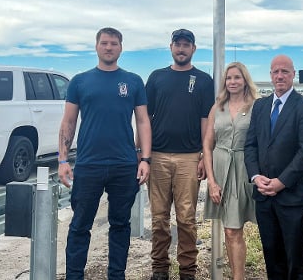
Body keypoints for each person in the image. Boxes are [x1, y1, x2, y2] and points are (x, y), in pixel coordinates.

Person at [57, 27, 152, 280]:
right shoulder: (80, 81)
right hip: (89, 165)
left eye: (114, 43)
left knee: (120, 225)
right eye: (104, 43)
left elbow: (143, 121)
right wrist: (63, 160)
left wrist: (145, 159)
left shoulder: (133, 81)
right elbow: (68, 121)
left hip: (124, 165)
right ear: (97, 46)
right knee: (80, 225)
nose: (109, 47)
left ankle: (116, 275)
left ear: (121, 48)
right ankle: (74, 275)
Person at [145, 28, 215, 280]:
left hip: (189, 158)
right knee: (159, 218)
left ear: (193, 49)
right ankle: (159, 268)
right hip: (158, 156)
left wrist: (204, 158)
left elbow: (206, 120)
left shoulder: (204, 80)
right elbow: (144, 119)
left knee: (186, 218)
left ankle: (188, 270)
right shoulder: (156, 78)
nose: (182, 48)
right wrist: (141, 155)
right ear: (171, 47)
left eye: (187, 44)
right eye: (178, 44)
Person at [244, 54, 303, 280]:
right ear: (270, 75)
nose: (280, 76)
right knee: (271, 255)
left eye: (285, 71)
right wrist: (256, 176)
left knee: (295, 258)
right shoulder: (260, 106)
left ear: (293, 75)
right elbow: (250, 145)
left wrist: (281, 182)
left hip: (293, 196)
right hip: (264, 196)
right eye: (275, 72)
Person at [203, 62, 258, 280]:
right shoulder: (217, 107)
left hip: (244, 169)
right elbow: (207, 144)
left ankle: (238, 277)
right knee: (228, 228)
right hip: (219, 167)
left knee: (234, 229)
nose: (233, 82)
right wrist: (211, 181)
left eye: (237, 77)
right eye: (229, 78)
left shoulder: (256, 106)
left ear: (245, 80)